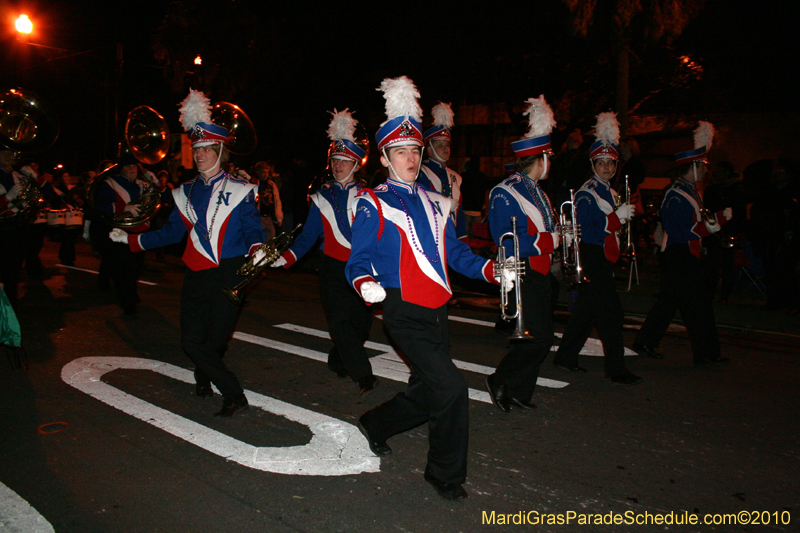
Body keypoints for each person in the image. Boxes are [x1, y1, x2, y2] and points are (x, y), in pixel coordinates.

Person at [346, 76, 507, 501]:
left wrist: (492, 271)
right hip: (402, 310)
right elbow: (357, 258)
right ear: (385, 156)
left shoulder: (438, 202)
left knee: (427, 389)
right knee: (451, 387)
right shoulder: (372, 201)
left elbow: (455, 254)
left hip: (437, 310)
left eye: (415, 149)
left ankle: (375, 424)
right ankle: (444, 474)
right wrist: (365, 284)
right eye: (401, 151)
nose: (411, 157)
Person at [109, 89, 265, 417]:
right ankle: (234, 393)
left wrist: (257, 248)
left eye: (207, 149)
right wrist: (130, 240)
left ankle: (203, 376)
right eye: (196, 149)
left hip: (231, 270)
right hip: (196, 272)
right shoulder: (184, 192)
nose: (200, 154)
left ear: (220, 151)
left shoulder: (243, 191)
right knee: (191, 341)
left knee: (217, 341)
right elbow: (170, 233)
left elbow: (252, 228)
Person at [271, 109, 377, 395]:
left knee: (360, 326)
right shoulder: (321, 198)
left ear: (356, 164)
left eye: (344, 160)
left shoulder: (371, 197)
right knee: (340, 322)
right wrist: (286, 258)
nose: (338, 165)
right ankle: (364, 375)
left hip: (362, 269)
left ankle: (338, 358)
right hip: (331, 268)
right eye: (335, 160)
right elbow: (307, 238)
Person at [552, 112, 643, 385]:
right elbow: (587, 231)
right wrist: (617, 219)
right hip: (592, 255)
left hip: (603, 256)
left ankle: (565, 357)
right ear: (593, 165)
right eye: (601, 163)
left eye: (610, 163)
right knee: (612, 315)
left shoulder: (611, 192)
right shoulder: (587, 192)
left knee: (586, 313)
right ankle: (616, 369)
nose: (606, 168)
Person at [632, 122, 732, 366]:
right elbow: (679, 231)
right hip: (680, 255)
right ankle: (706, 354)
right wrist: (716, 222)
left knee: (669, 302)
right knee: (698, 307)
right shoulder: (677, 193)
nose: (706, 171)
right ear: (694, 166)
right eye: (703, 166)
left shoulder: (690, 190)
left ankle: (645, 340)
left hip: (683, 255)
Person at [486, 95, 562, 412]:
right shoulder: (506, 191)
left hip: (542, 271)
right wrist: (551, 240)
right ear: (540, 158)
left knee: (535, 337)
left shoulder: (537, 191)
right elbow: (505, 238)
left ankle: (519, 392)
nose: (551, 163)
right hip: (522, 270)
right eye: (549, 157)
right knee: (541, 338)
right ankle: (500, 379)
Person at [92, 154, 152, 315]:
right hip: (121, 231)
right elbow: (99, 204)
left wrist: (158, 184)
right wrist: (122, 208)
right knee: (125, 268)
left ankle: (128, 293)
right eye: (128, 167)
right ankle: (128, 302)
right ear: (122, 169)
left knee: (136, 268)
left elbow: (161, 197)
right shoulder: (110, 183)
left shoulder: (142, 184)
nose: (132, 170)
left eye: (134, 167)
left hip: (141, 230)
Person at [418, 102, 467, 240]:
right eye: (440, 145)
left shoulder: (456, 177)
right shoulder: (420, 174)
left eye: (447, 145)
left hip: (452, 240)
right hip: (432, 238)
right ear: (429, 149)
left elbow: (460, 215)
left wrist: (463, 241)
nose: (445, 149)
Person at [253, 161, 283, 241]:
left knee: (271, 240)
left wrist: (279, 217)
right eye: (263, 172)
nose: (266, 175)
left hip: (269, 217)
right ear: (258, 172)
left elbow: (277, 201)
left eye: (267, 172)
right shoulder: (255, 184)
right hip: (259, 217)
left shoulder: (271, 184)